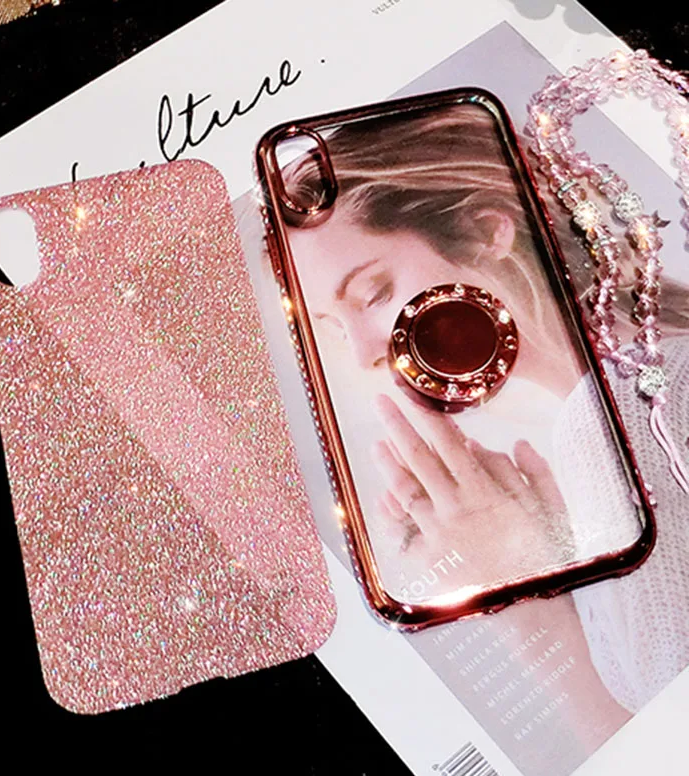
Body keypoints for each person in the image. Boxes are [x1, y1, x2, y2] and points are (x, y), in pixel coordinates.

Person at [279, 102, 689, 720]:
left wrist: (517, 589)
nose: (364, 353)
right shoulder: (630, 396)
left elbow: (670, 726)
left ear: (486, 232)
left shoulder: (624, 418)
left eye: (373, 293)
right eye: (335, 329)